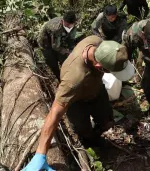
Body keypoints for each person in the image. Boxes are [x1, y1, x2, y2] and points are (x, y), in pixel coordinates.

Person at [22, 36, 135, 171]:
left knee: (108, 122)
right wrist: (40, 154)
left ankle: (98, 135)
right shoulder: (74, 80)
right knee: (84, 131)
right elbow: (54, 115)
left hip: (97, 91)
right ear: (100, 67)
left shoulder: (97, 42)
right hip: (77, 101)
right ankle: (90, 141)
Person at [38, 11, 83, 80]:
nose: (69, 27)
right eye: (67, 26)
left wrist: (72, 49)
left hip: (59, 40)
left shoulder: (73, 25)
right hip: (46, 43)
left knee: (65, 60)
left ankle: (68, 76)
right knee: (53, 63)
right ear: (62, 22)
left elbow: (71, 39)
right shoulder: (56, 29)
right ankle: (60, 79)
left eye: (70, 26)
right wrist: (68, 51)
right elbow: (55, 46)